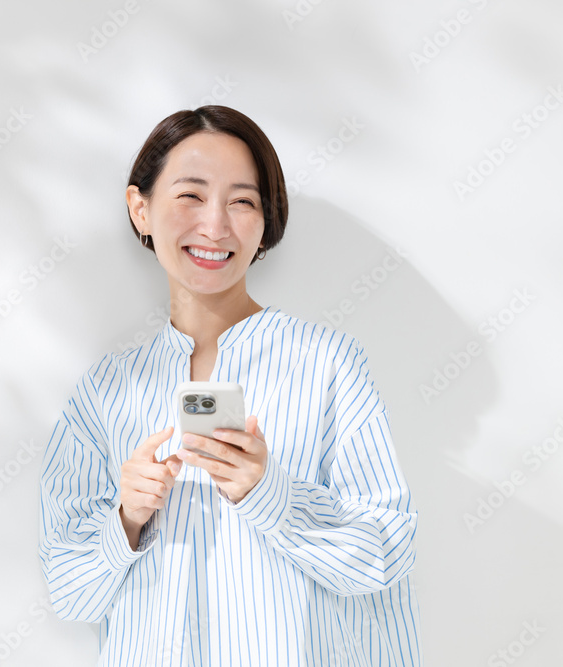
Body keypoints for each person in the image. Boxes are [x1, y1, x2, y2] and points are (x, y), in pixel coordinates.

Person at [38, 105, 421, 666]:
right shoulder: (104, 391)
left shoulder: (327, 364)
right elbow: (70, 593)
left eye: (242, 201)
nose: (215, 226)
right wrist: (126, 519)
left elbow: (386, 555)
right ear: (140, 208)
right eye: (190, 195)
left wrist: (270, 495)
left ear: (267, 220)